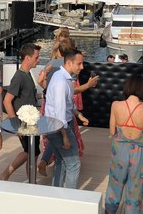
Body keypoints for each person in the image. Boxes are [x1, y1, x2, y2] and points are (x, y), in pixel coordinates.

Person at [105, 76, 143, 214]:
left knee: (114, 185)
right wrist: (142, 132)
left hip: (120, 149)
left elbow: (112, 131)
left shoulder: (116, 105)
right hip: (139, 152)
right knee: (135, 189)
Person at [0, 43, 41, 181]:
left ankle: (31, 182)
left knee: (33, 153)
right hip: (24, 123)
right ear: (27, 58)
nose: (38, 60)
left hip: (31, 121)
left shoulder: (27, 74)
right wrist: (15, 123)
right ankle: (6, 174)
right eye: (36, 57)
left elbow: (27, 95)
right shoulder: (20, 76)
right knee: (30, 152)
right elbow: (7, 100)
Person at [44, 49, 85, 189]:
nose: (82, 67)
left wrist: (78, 114)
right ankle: (70, 200)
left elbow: (67, 105)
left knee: (61, 162)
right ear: (69, 63)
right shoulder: (62, 82)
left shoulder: (61, 76)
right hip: (60, 127)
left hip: (53, 126)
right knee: (74, 165)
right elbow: (60, 112)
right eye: (79, 64)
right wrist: (65, 136)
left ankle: (58, 197)